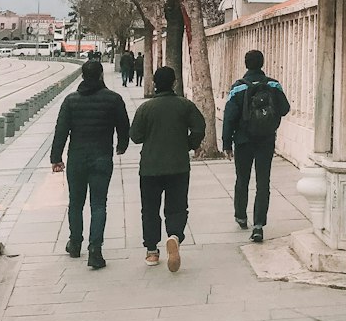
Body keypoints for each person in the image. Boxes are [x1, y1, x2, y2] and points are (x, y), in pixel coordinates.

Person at [50, 59, 130, 269]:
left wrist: (56, 158)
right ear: (101, 75)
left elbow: (61, 131)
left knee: (76, 202)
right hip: (102, 157)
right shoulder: (113, 99)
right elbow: (124, 126)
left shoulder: (70, 101)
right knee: (99, 204)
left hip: (76, 157)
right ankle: (95, 249)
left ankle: (75, 243)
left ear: (82, 76)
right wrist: (122, 145)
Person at [129, 65, 205, 271]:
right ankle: (174, 236)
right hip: (178, 165)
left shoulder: (145, 109)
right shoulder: (185, 105)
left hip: (150, 168)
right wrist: (189, 144)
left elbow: (135, 136)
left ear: (154, 84)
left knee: (150, 209)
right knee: (177, 206)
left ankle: (152, 251)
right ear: (174, 83)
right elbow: (199, 126)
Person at [222, 49, 290, 243]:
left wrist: (227, 143)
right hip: (266, 140)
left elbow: (229, 117)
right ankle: (259, 224)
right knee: (263, 181)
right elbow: (285, 109)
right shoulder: (273, 84)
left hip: (243, 141)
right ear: (262, 63)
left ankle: (241, 216)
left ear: (246, 64)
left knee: (242, 179)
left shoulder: (237, 88)